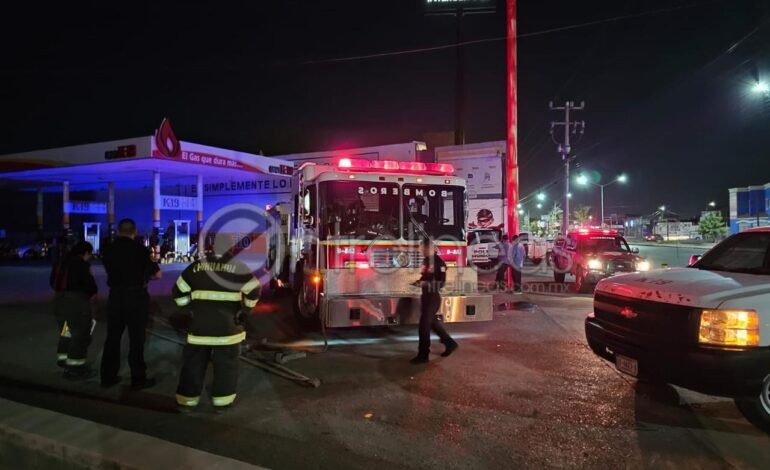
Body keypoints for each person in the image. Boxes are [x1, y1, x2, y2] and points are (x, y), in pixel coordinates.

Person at [171, 245, 261, 412]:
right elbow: (254, 289)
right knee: (226, 366)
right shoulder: (238, 267)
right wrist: (245, 311)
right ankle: (222, 403)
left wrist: (189, 309)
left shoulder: (196, 266)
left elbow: (178, 292)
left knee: (193, 364)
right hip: (228, 330)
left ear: (210, 250)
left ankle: (186, 402)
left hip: (199, 329)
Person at [100, 218, 161, 389]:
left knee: (112, 338)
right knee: (136, 340)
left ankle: (107, 377)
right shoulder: (140, 250)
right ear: (134, 232)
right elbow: (158, 275)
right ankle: (138, 378)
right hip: (136, 297)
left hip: (116, 297)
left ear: (119, 231)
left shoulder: (109, 250)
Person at [50, 241, 98, 379]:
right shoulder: (81, 264)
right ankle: (75, 369)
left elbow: (52, 281)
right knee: (80, 334)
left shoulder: (61, 262)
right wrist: (92, 293)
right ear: (86, 253)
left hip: (59, 301)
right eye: (90, 255)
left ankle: (63, 359)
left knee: (66, 331)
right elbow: (89, 284)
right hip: (76, 303)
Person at [410, 238, 458, 364]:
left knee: (424, 325)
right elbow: (425, 276)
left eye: (422, 248)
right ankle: (450, 343)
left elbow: (441, 282)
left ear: (429, 248)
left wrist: (426, 283)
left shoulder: (439, 263)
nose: (421, 251)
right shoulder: (426, 261)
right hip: (425, 296)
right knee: (432, 323)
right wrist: (419, 282)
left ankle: (423, 355)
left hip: (433, 298)